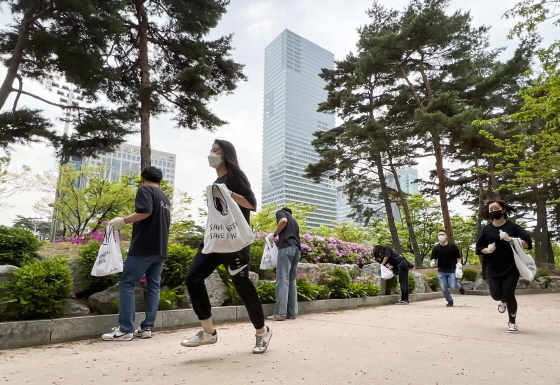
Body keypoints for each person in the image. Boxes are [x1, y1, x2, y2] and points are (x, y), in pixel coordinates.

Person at [181, 139, 272, 354]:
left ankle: (262, 331)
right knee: (193, 278)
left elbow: (252, 204)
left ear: (226, 154)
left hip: (234, 243)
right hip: (214, 241)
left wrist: (227, 193)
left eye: (216, 150)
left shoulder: (235, 175)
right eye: (210, 150)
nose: (211, 154)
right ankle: (208, 331)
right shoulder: (217, 180)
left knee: (242, 286)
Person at [102, 166, 171, 341]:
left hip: (143, 247)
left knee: (127, 283)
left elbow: (145, 211)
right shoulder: (164, 197)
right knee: (154, 286)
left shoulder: (145, 189)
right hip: (160, 249)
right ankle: (147, 327)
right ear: (160, 181)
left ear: (142, 179)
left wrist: (123, 221)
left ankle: (125, 329)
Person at [475, 200, 532, 333]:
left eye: (496, 208)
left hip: (511, 267)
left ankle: (512, 321)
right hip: (492, 267)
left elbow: (528, 244)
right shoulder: (486, 229)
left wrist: (512, 240)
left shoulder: (513, 227)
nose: (494, 211)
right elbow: (478, 248)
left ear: (503, 210)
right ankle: (502, 301)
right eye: (491, 209)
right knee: (496, 295)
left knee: (508, 293)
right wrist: (487, 250)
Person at [267, 207, 301, 321]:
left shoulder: (281, 213)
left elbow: (283, 221)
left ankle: (280, 313)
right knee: (291, 282)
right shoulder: (295, 222)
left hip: (286, 248)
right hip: (297, 250)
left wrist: (275, 234)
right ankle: (292, 313)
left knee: (282, 280)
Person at [430, 230, 465, 307]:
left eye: (442, 234)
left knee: (453, 286)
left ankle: (459, 286)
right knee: (443, 286)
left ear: (446, 236)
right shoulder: (436, 248)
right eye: (439, 235)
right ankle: (450, 301)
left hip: (452, 270)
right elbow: (434, 258)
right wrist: (433, 262)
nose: (441, 236)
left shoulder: (452, 246)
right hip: (441, 270)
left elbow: (458, 257)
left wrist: (459, 263)